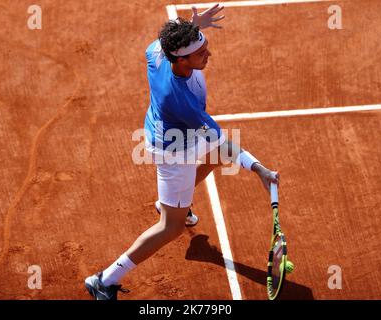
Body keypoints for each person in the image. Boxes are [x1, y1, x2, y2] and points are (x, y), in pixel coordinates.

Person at [85, 4, 279, 300]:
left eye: (206, 48)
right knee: (170, 227)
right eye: (201, 53)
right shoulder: (182, 100)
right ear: (182, 59)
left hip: (166, 127)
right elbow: (222, 142)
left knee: (215, 159)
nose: (208, 55)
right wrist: (259, 169)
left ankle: (175, 203)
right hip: (174, 151)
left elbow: (167, 39)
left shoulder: (158, 52)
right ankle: (104, 279)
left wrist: (193, 25)